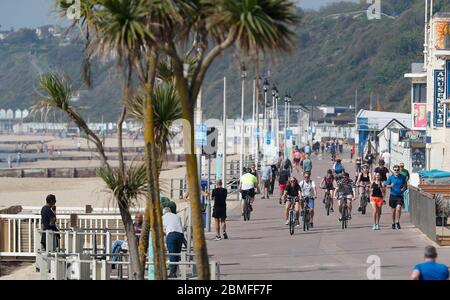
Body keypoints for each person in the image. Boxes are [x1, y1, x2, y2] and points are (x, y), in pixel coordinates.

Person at [162, 207, 184, 278]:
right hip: (180, 235)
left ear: (164, 212)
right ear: (170, 211)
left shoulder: (163, 217)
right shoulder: (177, 216)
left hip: (171, 234)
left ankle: (172, 273)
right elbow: (180, 226)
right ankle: (175, 272)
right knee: (177, 254)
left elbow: (162, 229)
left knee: (172, 253)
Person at [385, 165, 408, 230]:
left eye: (397, 170)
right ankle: (393, 222)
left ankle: (397, 222)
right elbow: (386, 186)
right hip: (393, 196)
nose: (396, 171)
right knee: (393, 211)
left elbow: (405, 185)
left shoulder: (402, 177)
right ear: (393, 171)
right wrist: (390, 185)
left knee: (398, 208)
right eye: (395, 170)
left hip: (399, 196)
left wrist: (403, 188)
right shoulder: (390, 178)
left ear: (399, 170)